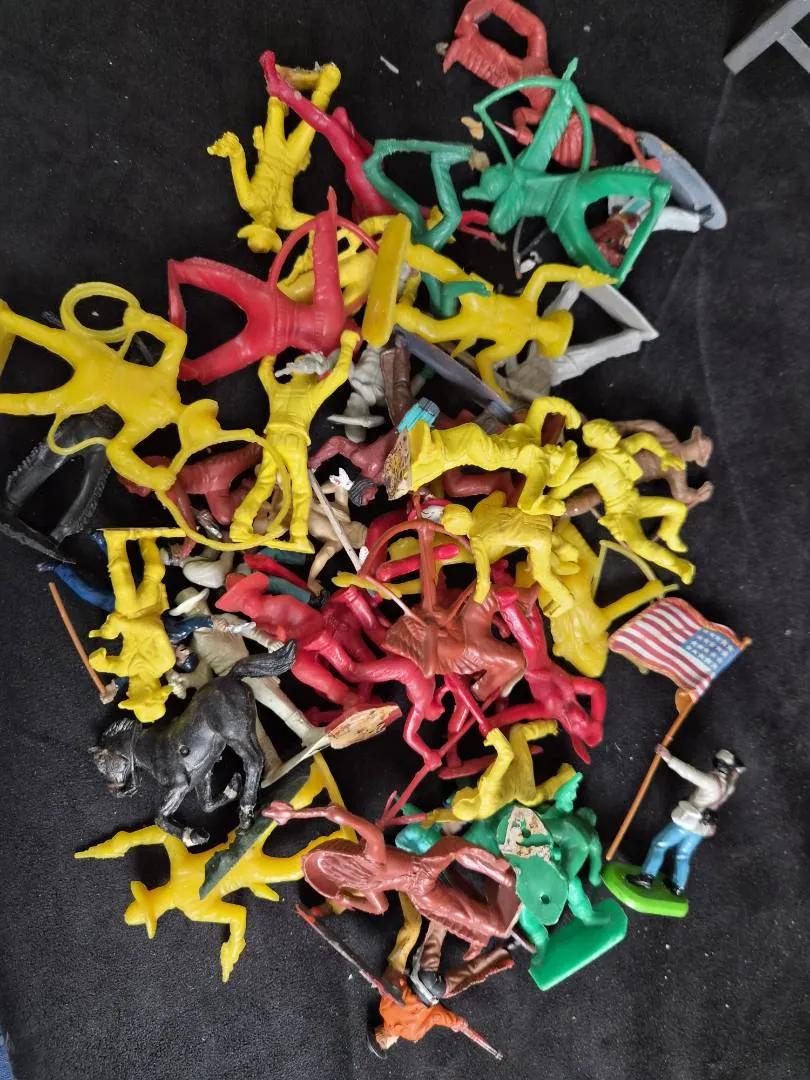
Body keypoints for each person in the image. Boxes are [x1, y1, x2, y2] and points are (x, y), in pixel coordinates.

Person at [628, 746, 745, 897]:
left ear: (718, 763)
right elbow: (732, 781)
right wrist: (737, 773)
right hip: (701, 828)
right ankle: (678, 885)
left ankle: (647, 876)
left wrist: (669, 758)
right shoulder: (726, 787)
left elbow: (689, 773)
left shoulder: (711, 781)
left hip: (688, 821)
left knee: (659, 844)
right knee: (683, 855)